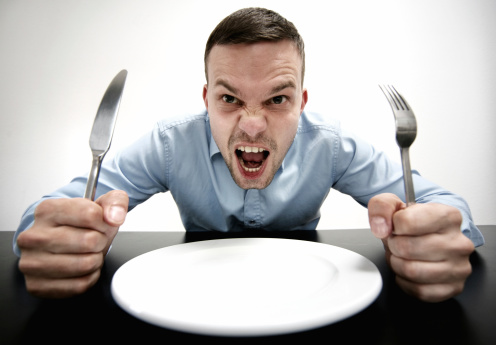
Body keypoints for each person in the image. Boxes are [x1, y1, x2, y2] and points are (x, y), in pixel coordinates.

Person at [14, 7, 483, 301]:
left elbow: (449, 209)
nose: (252, 124)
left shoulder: (332, 143)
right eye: (230, 99)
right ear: (206, 99)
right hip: (198, 302)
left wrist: (432, 238)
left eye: (277, 99)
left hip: (309, 298)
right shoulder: (169, 144)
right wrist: (56, 237)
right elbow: (42, 219)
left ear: (301, 101)